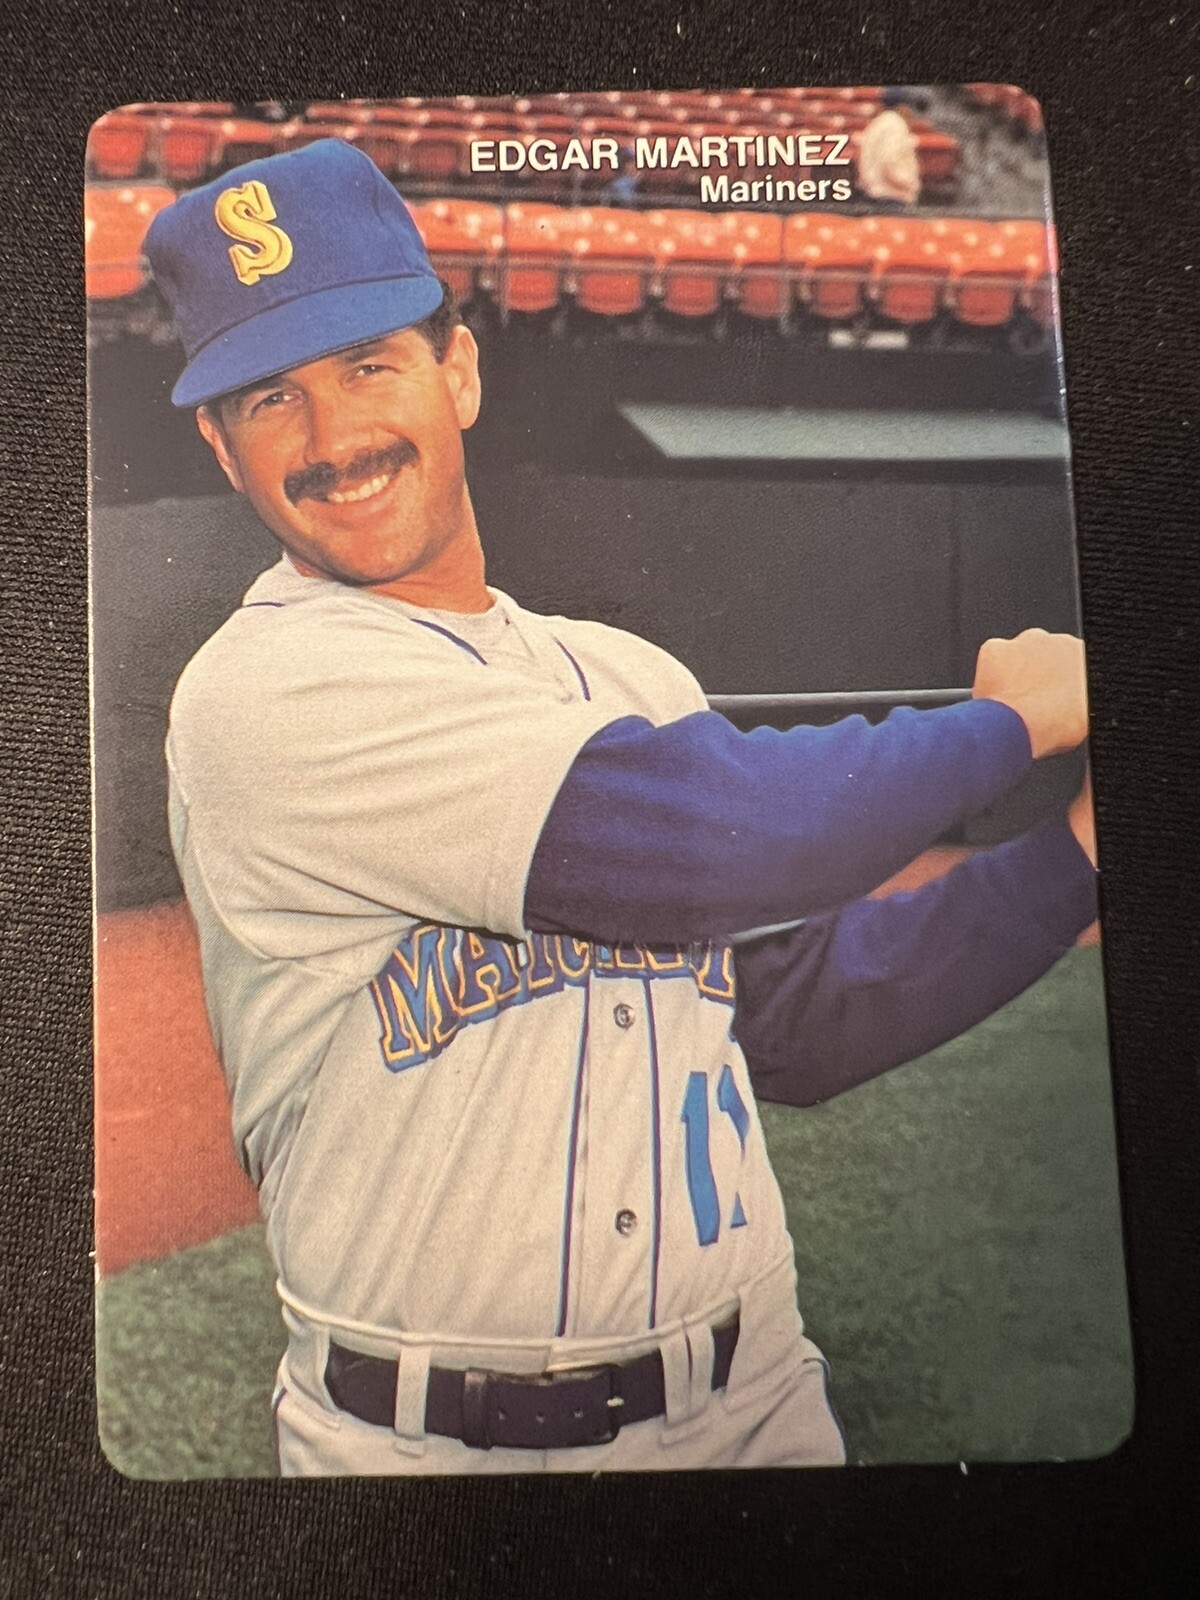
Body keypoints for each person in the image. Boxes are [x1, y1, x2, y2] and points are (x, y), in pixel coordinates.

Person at [143, 138, 1097, 1476]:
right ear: (220, 446)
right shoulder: (261, 692)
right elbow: (711, 842)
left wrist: (1080, 851)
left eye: (367, 365)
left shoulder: (631, 679)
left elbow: (792, 1015)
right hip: (428, 1455)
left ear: (459, 372)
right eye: (270, 397)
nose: (333, 437)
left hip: (756, 1406)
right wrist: (1014, 722)